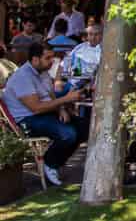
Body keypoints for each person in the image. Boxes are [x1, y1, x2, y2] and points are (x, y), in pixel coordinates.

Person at [1, 42, 88, 186]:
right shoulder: (23, 77)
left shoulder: (43, 73)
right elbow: (36, 108)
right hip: (27, 119)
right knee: (68, 134)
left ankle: (54, 162)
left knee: (84, 126)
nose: (51, 62)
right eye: (48, 58)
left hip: (44, 113)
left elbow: (50, 95)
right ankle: (50, 163)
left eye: (52, 58)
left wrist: (61, 109)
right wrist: (66, 99)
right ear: (35, 59)